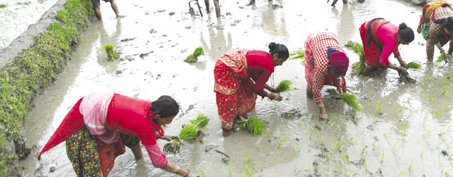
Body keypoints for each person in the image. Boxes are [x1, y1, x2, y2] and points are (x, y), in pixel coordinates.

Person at [37, 92, 197, 177]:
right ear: (158, 115)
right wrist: (184, 173)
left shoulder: (147, 107)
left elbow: (140, 125)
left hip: (100, 102)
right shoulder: (144, 124)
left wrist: (162, 136)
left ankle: (139, 161)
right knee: (91, 167)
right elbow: (158, 161)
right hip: (85, 118)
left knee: (132, 135)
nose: (169, 122)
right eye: (168, 119)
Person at [213, 42, 289, 136]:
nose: (281, 64)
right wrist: (272, 96)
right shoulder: (269, 66)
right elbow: (257, 89)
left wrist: (271, 89)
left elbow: (257, 79)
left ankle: (237, 117)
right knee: (229, 100)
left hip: (228, 59)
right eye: (281, 61)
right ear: (276, 56)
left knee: (245, 88)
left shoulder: (265, 55)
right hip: (227, 68)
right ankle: (226, 132)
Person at [303, 32, 350, 120]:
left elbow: (340, 76)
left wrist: (340, 88)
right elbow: (316, 89)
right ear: (329, 66)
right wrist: (322, 110)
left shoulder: (343, 57)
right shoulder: (322, 65)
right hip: (315, 41)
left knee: (339, 79)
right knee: (311, 82)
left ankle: (343, 94)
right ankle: (309, 99)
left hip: (331, 38)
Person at [424, 1, 453, 66]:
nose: (452, 33)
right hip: (435, 11)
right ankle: (429, 62)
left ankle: (450, 54)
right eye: (450, 32)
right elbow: (435, 39)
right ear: (444, 27)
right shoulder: (436, 28)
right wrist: (441, 49)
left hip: (447, 11)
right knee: (430, 42)